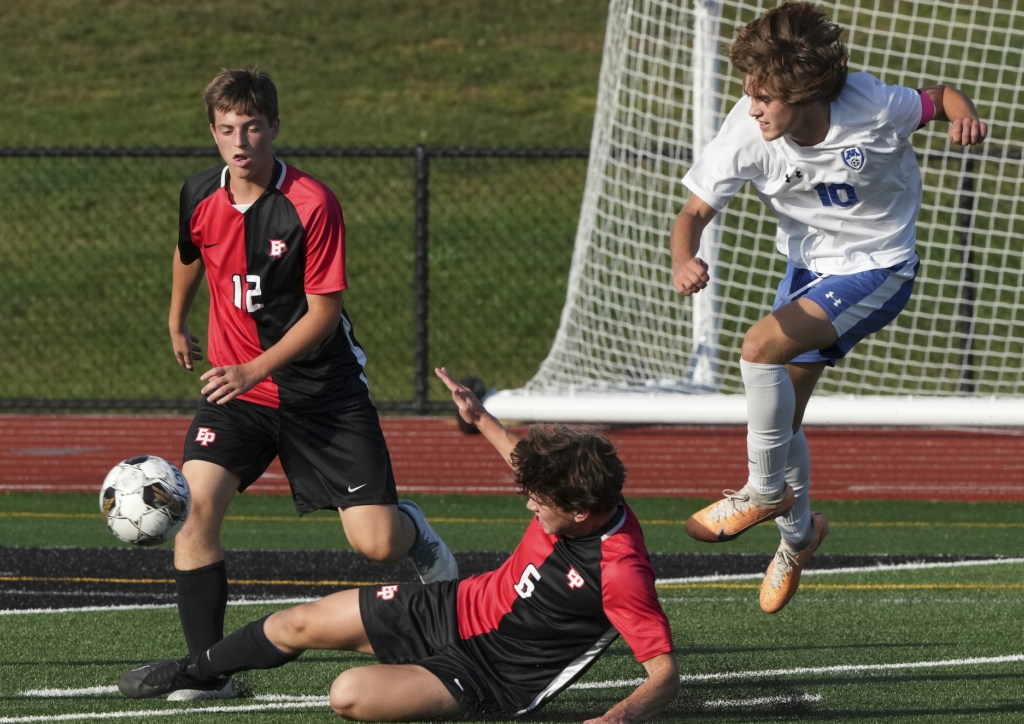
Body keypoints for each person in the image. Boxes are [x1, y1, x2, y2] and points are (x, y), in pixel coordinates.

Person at [118, 367, 680, 721]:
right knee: (298, 622)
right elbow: (523, 460)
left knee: (348, 695)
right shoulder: (570, 493)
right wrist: (478, 416)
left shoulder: (621, 570)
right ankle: (194, 672)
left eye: (539, 503)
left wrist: (616, 719)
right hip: (447, 606)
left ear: (581, 512)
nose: (530, 506)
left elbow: (664, 676)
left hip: (487, 676)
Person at [671, 3, 987, 614]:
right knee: (780, 419)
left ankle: (763, 493)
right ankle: (798, 538)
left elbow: (940, 95)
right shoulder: (745, 130)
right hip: (809, 270)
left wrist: (963, 113)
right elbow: (691, 215)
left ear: (806, 90)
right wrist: (684, 259)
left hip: (879, 266)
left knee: (758, 348)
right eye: (748, 93)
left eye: (764, 96)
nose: (753, 107)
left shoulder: (871, 106)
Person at [167, 66, 457, 699]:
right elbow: (190, 253)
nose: (239, 142)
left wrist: (253, 368)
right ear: (212, 133)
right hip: (238, 396)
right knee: (194, 513)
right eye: (225, 130)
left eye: (251, 128)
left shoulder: (311, 204)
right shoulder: (197, 194)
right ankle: (208, 671)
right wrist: (176, 320)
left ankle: (418, 534)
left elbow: (324, 314)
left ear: (274, 127)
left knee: (377, 545)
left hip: (322, 394)